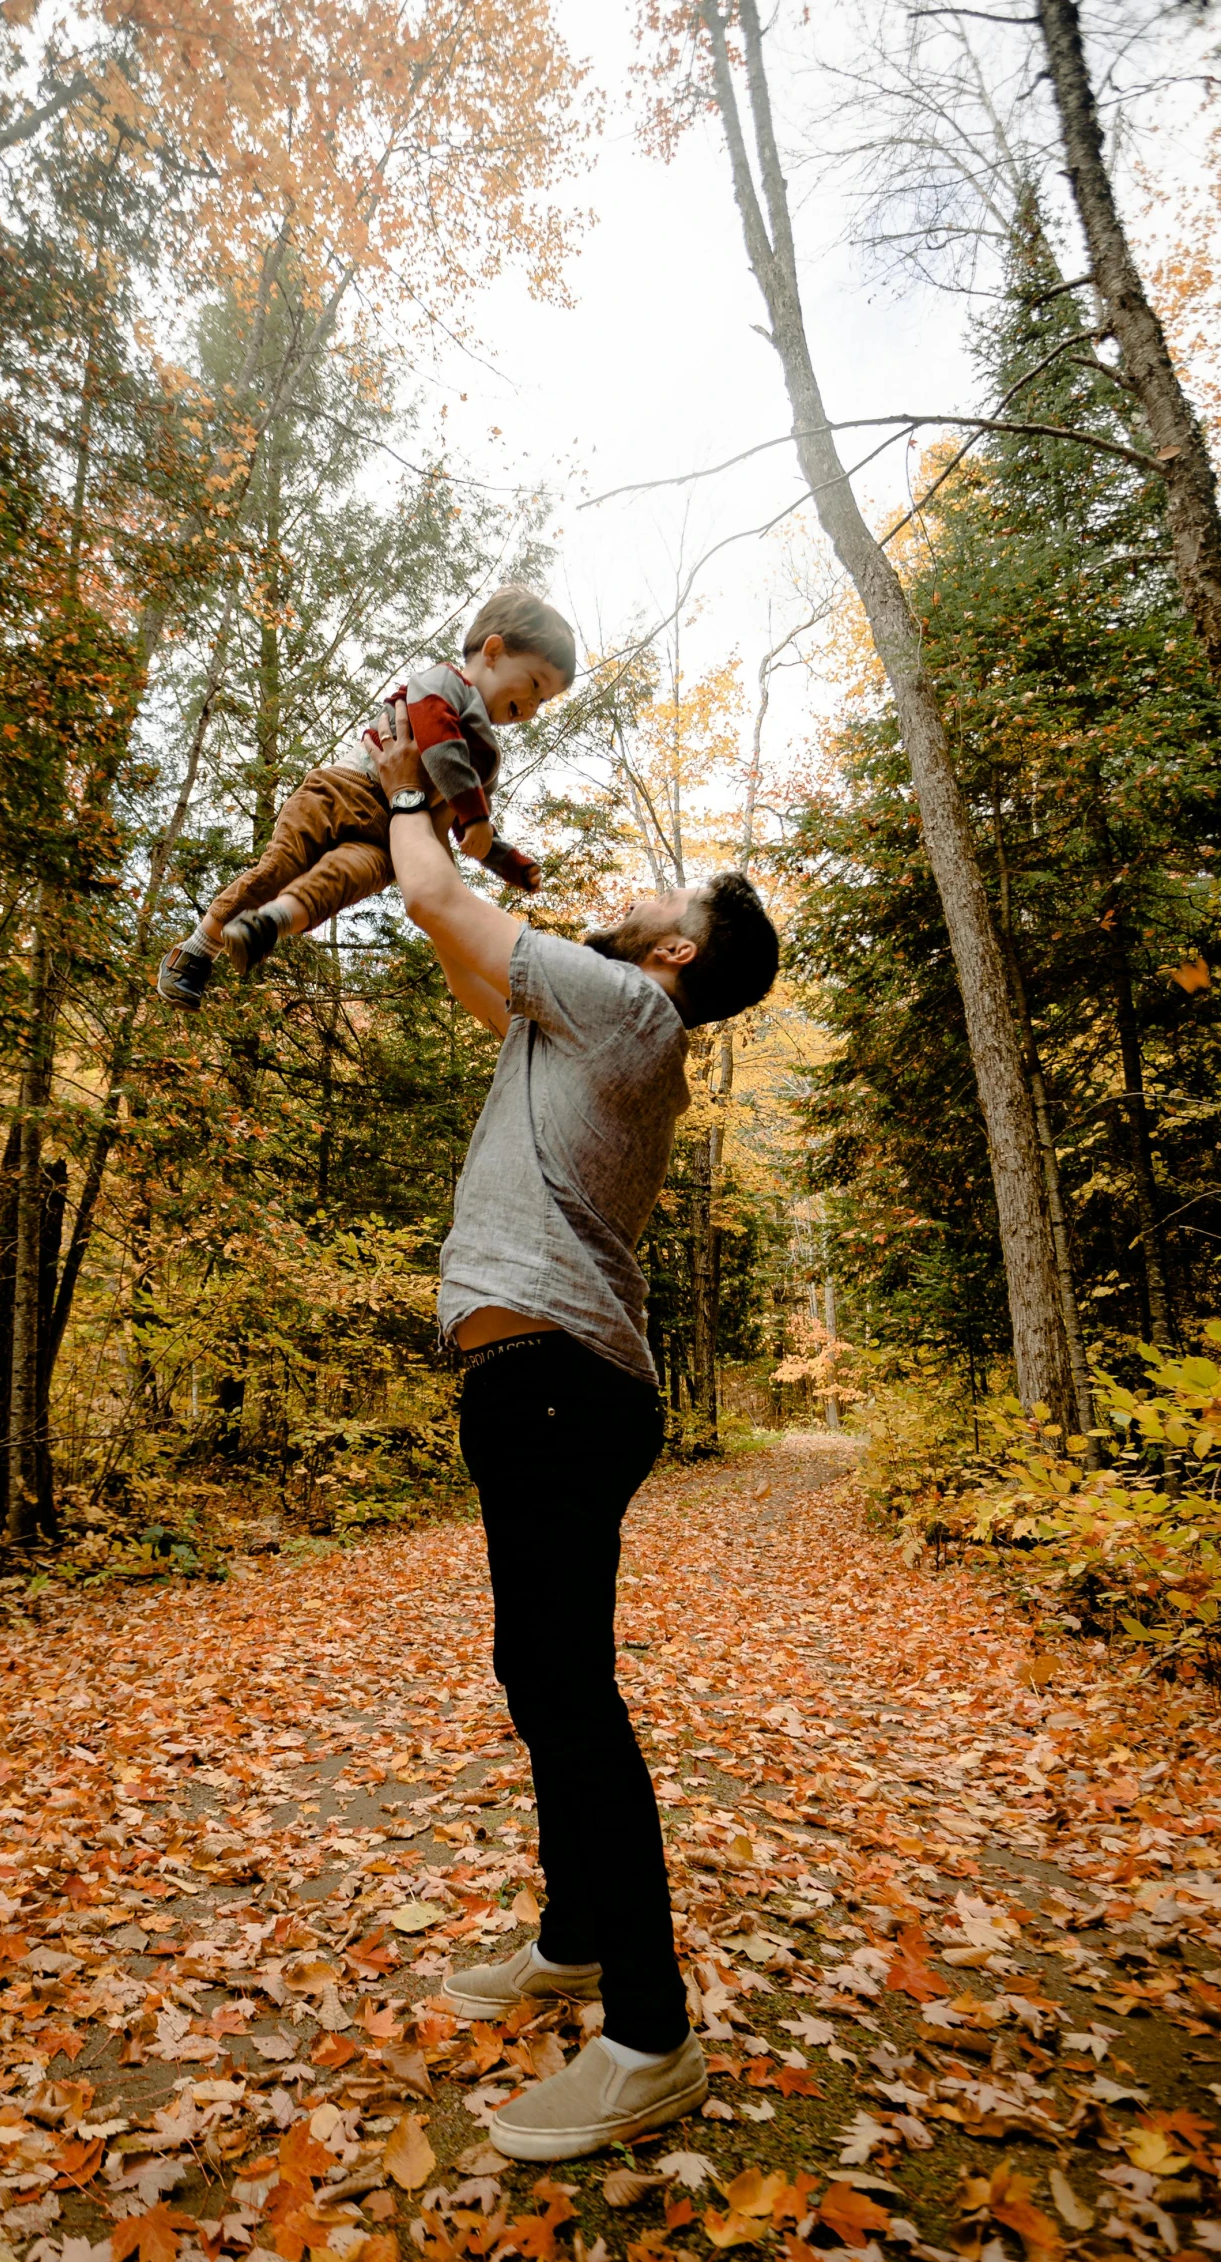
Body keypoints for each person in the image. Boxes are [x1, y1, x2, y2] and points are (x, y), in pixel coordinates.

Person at [369, 700, 779, 2162]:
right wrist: (447, 838)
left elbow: (430, 894)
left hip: (557, 1385)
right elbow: (452, 937)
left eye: (667, 897)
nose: (637, 893)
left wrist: (403, 783)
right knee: (539, 1676)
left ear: (677, 953)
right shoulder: (578, 1019)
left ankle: (651, 2035)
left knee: (569, 1689)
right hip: (532, 1384)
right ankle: (572, 1938)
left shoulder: (634, 1011)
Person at [155, 586, 573, 1008]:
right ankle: (194, 952)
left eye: (545, 700)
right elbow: (437, 739)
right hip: (342, 790)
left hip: (389, 835)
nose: (535, 705)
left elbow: (467, 826)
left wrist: (506, 861)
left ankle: (268, 924)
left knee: (342, 881)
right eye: (535, 684)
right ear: (495, 651)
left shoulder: (488, 758)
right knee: (281, 866)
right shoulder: (445, 683)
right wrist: (474, 813)